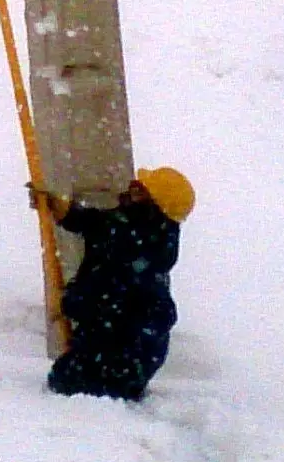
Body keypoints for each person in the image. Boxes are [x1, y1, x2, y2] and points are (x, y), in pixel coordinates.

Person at [33, 165, 191, 401]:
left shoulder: (133, 247)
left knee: (63, 388)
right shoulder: (141, 232)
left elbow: (96, 295)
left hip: (115, 359)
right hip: (129, 354)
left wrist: (67, 302)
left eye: (138, 191)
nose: (129, 192)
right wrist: (64, 211)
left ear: (151, 206)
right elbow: (99, 224)